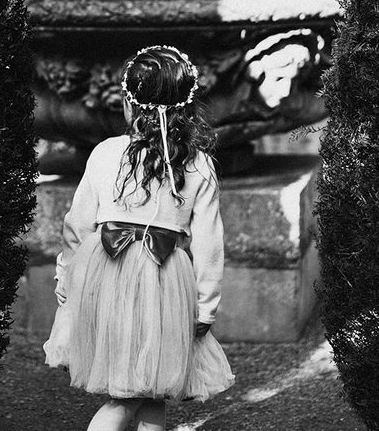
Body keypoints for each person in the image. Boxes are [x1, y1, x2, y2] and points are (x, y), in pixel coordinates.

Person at [43, 45, 235, 431]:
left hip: (106, 276)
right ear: (186, 107)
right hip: (165, 282)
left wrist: (66, 279)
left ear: (129, 106)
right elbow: (209, 243)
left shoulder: (104, 153)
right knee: (130, 394)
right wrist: (205, 305)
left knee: (149, 389)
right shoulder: (197, 162)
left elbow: (77, 226)